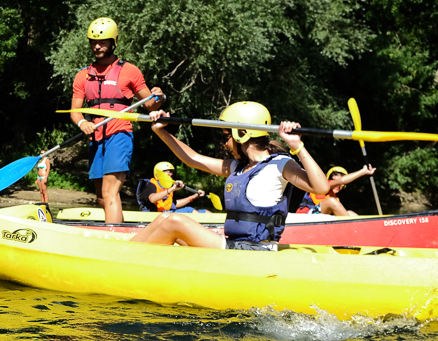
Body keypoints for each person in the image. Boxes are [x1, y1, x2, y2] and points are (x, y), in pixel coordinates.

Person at [130, 101, 330, 250]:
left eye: (226, 137)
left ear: (241, 134)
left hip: (255, 250)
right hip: (234, 244)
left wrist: (297, 146)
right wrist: (160, 131)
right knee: (163, 219)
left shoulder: (280, 165)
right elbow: (192, 159)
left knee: (175, 221)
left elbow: (321, 188)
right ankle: (123, 254)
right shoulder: (238, 167)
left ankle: (126, 258)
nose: (225, 144)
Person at [69, 17, 164, 224]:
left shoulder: (129, 70)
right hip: (96, 138)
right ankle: (119, 232)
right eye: (93, 42)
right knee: (102, 197)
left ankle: (112, 240)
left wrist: (159, 97)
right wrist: (82, 123)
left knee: (110, 191)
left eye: (102, 42)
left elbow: (150, 104)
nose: (97, 46)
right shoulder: (83, 76)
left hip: (119, 135)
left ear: (113, 42)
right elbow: (75, 112)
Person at [296, 165, 376, 216]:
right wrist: (363, 172)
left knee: (351, 214)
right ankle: (352, 230)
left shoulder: (336, 199)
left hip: (318, 218)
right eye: (335, 183)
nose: (337, 186)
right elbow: (342, 180)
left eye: (340, 185)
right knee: (332, 201)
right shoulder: (324, 185)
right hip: (304, 217)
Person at [136, 161, 206, 213]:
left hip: (167, 214)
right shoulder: (150, 186)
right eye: (167, 172)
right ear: (158, 174)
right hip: (154, 217)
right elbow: (152, 199)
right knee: (190, 210)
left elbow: (174, 204)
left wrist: (194, 196)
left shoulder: (167, 187)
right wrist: (172, 189)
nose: (170, 174)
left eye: (171, 172)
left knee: (205, 212)